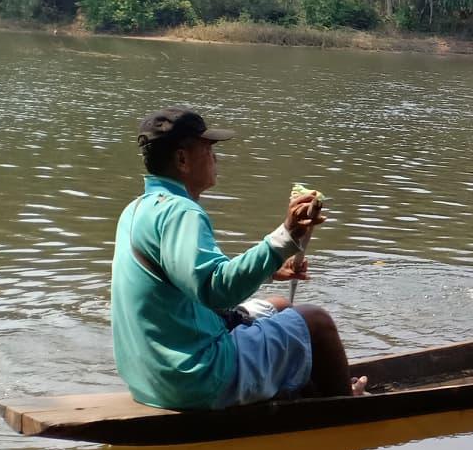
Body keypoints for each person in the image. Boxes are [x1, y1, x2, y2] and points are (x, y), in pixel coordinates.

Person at [111, 107, 362, 410]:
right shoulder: (182, 212)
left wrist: (270, 269)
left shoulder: (138, 209)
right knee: (317, 322)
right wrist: (285, 236)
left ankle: (295, 385)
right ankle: (347, 406)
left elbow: (190, 278)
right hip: (196, 379)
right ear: (182, 159)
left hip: (147, 377)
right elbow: (217, 291)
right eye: (207, 149)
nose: (215, 158)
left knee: (282, 305)